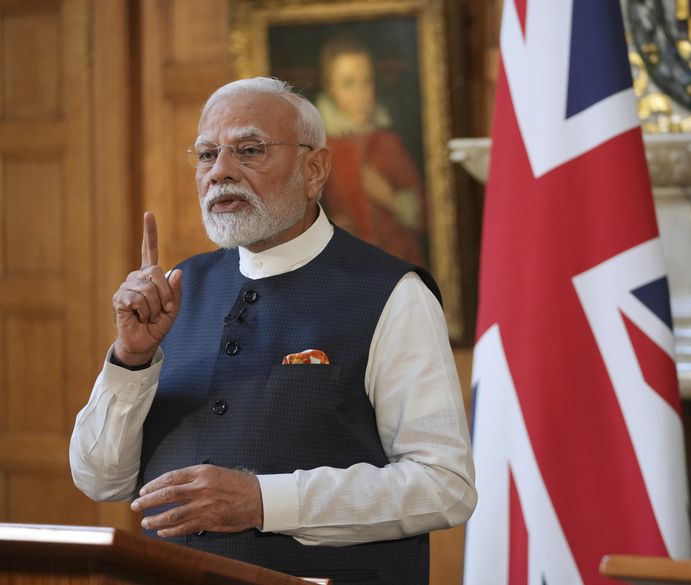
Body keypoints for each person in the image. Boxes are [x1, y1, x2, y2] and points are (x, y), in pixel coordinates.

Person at [69, 77, 476, 585]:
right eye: (206, 155)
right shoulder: (175, 290)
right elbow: (100, 480)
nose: (220, 172)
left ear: (315, 169)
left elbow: (444, 486)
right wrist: (130, 360)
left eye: (249, 150)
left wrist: (264, 502)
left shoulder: (392, 293)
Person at [316, 36, 427, 265]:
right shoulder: (321, 148)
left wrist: (392, 199)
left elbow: (429, 213)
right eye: (348, 84)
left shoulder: (388, 142)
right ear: (330, 89)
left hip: (398, 259)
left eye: (367, 81)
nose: (361, 93)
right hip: (345, 263)